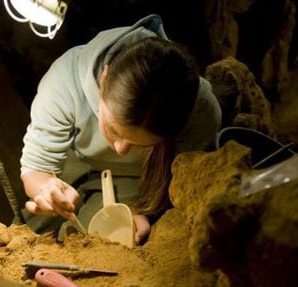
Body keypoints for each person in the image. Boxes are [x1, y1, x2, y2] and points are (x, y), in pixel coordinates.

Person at [20, 14, 221, 244]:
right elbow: (36, 168)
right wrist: (45, 188)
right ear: (104, 77)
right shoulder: (65, 82)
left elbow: (182, 184)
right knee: (27, 235)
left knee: (99, 242)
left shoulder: (201, 112)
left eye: (139, 143)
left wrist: (143, 210)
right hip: (72, 163)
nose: (120, 149)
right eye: (113, 130)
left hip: (136, 176)